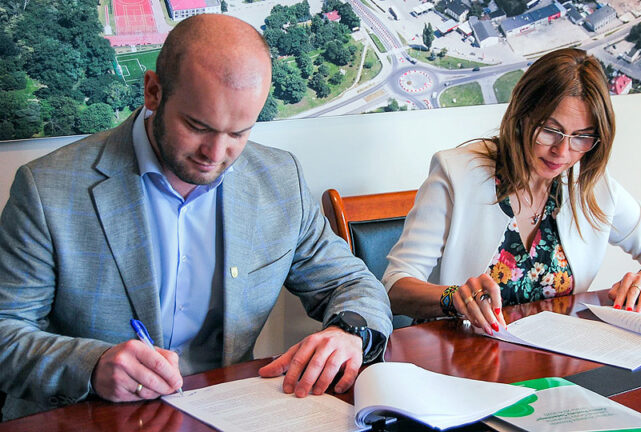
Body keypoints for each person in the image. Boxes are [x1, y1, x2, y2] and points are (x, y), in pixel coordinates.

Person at [0, 14, 392, 420]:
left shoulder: (279, 179)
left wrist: (349, 331)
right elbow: (5, 329)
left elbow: (352, 282)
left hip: (227, 413)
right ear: (153, 92)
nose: (215, 154)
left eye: (238, 133)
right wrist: (92, 366)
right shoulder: (47, 189)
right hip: (88, 417)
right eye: (197, 126)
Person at [382, 48, 641, 335]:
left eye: (581, 137)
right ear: (521, 116)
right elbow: (395, 288)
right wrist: (454, 298)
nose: (562, 151)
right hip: (457, 353)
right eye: (550, 131)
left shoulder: (590, 185)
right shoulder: (456, 174)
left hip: (551, 355)